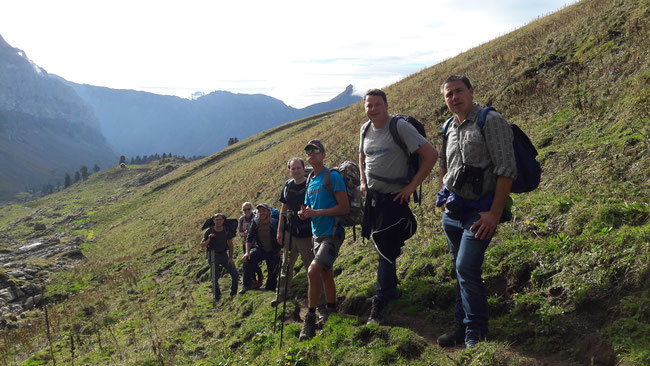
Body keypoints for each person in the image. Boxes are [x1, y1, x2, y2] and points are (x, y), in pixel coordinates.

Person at [437, 75, 517, 348]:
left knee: (466, 269)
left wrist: (494, 214)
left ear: (471, 91)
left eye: (459, 91)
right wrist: (443, 197)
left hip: (480, 213)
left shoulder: (490, 121)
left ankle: (476, 333)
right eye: (448, 94)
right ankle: (461, 327)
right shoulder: (448, 126)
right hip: (453, 212)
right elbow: (444, 166)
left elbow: (506, 170)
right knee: (460, 271)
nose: (454, 97)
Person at [359, 89, 438, 325]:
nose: (372, 109)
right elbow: (361, 157)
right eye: (368, 105)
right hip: (374, 200)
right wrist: (363, 181)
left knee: (385, 246)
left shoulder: (399, 127)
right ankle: (389, 289)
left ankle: (380, 301)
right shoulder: (364, 129)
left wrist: (411, 187)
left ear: (386, 105)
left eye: (377, 105)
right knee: (384, 245)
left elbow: (431, 154)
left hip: (394, 198)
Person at [297, 140, 349, 341]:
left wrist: (317, 212)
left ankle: (309, 320)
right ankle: (331, 312)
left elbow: (344, 208)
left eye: (315, 150)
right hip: (316, 234)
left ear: (323, 155)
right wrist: (306, 214)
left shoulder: (332, 176)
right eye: (308, 151)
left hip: (332, 233)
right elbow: (310, 207)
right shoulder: (311, 179)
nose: (311, 154)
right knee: (327, 275)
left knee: (313, 271)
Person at [272, 158, 321, 307]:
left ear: (303, 168)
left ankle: (320, 303)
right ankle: (281, 295)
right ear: (290, 170)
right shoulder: (287, 186)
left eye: (298, 168)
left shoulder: (310, 185)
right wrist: (280, 230)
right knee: (285, 265)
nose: (296, 171)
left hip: (307, 234)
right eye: (293, 169)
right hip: (290, 233)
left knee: (311, 269)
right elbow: (283, 209)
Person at [240, 203, 281, 293]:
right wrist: (247, 252)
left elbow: (281, 237)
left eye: (264, 211)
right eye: (259, 211)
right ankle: (247, 285)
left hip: (273, 251)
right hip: (260, 249)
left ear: (269, 212)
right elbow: (249, 238)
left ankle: (271, 287)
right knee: (248, 259)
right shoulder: (255, 222)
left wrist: (279, 251)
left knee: (272, 273)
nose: (262, 213)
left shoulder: (275, 222)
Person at [199, 213, 239, 304]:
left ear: (223, 221)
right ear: (213, 221)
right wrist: (209, 239)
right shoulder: (209, 231)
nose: (218, 221)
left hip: (224, 255)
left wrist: (231, 258)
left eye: (220, 219)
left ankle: (233, 293)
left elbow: (230, 245)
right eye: (216, 220)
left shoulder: (226, 230)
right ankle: (217, 296)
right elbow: (202, 245)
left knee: (235, 273)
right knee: (214, 277)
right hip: (212, 255)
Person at [238, 202, 263, 288]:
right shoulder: (241, 219)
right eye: (244, 210)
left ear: (251, 209)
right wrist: (243, 234)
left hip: (255, 243)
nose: (246, 211)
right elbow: (239, 232)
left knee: (253, 261)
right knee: (248, 261)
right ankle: (253, 280)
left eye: (248, 209)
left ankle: (259, 276)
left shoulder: (256, 217)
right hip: (246, 243)